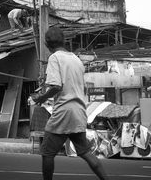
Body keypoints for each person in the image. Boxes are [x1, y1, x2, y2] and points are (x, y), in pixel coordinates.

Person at [31, 27, 108, 180]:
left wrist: (41, 98)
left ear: (46, 45)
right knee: (85, 152)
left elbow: (56, 86)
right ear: (64, 41)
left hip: (63, 111)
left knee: (47, 153)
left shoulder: (55, 58)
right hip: (79, 111)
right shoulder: (76, 59)